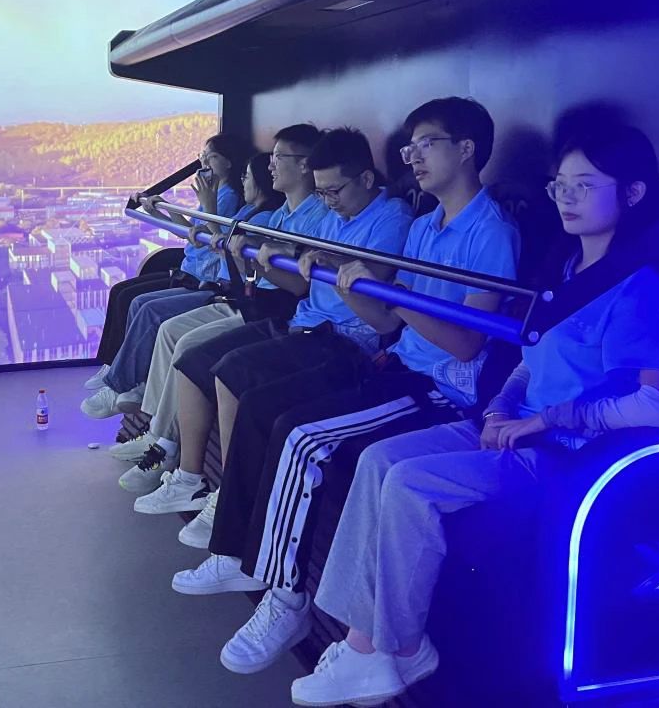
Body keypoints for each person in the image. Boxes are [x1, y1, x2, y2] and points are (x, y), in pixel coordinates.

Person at [291, 125, 659, 707]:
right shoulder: (564, 270)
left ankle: (396, 648)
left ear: (632, 193)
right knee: (377, 461)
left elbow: (655, 407)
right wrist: (500, 406)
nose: (567, 198)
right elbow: (528, 361)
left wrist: (542, 422)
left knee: (410, 484)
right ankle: (363, 643)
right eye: (560, 185)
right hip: (513, 426)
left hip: (562, 454)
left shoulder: (642, 292)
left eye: (585, 185)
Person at [170, 97, 520, 677]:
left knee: (302, 437)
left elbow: (466, 345)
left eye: (427, 144)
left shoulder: (492, 234)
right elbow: (385, 320)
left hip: (439, 389)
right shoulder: (426, 227)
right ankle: (241, 552)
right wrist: (355, 287)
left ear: (467, 149)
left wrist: (398, 298)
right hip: (394, 363)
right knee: (269, 409)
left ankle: (285, 598)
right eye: (410, 147)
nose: (413, 157)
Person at [130, 129, 413, 549]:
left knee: (237, 375)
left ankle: (229, 498)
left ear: (367, 179)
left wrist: (328, 260)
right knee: (198, 360)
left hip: (344, 339)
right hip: (303, 321)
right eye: (323, 192)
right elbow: (299, 286)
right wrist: (266, 263)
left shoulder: (392, 217)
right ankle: (189, 475)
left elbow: (374, 288)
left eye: (334, 191)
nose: (328, 201)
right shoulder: (332, 216)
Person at [116, 124, 332, 495]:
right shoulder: (280, 215)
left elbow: (294, 283)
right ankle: (157, 433)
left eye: (279, 157)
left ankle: (183, 461)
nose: (271, 165)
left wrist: (246, 249)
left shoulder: (308, 216)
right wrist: (249, 254)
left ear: (304, 164)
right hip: (250, 297)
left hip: (268, 307)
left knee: (187, 342)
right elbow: (246, 258)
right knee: (155, 318)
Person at [108, 153, 283, 461]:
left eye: (248, 176)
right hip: (223, 288)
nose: (244, 181)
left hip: (227, 290)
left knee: (164, 323)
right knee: (140, 306)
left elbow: (221, 246)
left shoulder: (258, 214)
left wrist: (210, 205)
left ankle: (158, 435)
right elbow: (203, 235)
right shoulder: (246, 210)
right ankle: (133, 394)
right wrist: (168, 210)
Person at [84, 133, 249, 399]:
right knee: (123, 293)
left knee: (136, 301)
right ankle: (115, 366)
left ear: (229, 162)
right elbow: (191, 231)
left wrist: (177, 208)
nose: (205, 162)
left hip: (201, 276)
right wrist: (158, 210)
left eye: (212, 157)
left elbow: (208, 237)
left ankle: (122, 378)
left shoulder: (225, 197)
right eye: (203, 156)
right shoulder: (215, 194)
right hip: (189, 267)